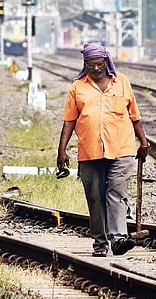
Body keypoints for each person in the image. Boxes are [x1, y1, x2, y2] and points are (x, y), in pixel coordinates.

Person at [56, 42, 150, 257]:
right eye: (91, 65)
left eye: (99, 64)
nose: (96, 69)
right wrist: (62, 151)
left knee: (116, 193)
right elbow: (69, 121)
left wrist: (143, 143)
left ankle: (118, 239)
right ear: (85, 64)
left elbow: (134, 116)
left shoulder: (122, 83)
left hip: (122, 148)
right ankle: (100, 243)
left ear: (106, 62)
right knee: (95, 198)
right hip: (90, 151)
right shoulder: (77, 88)